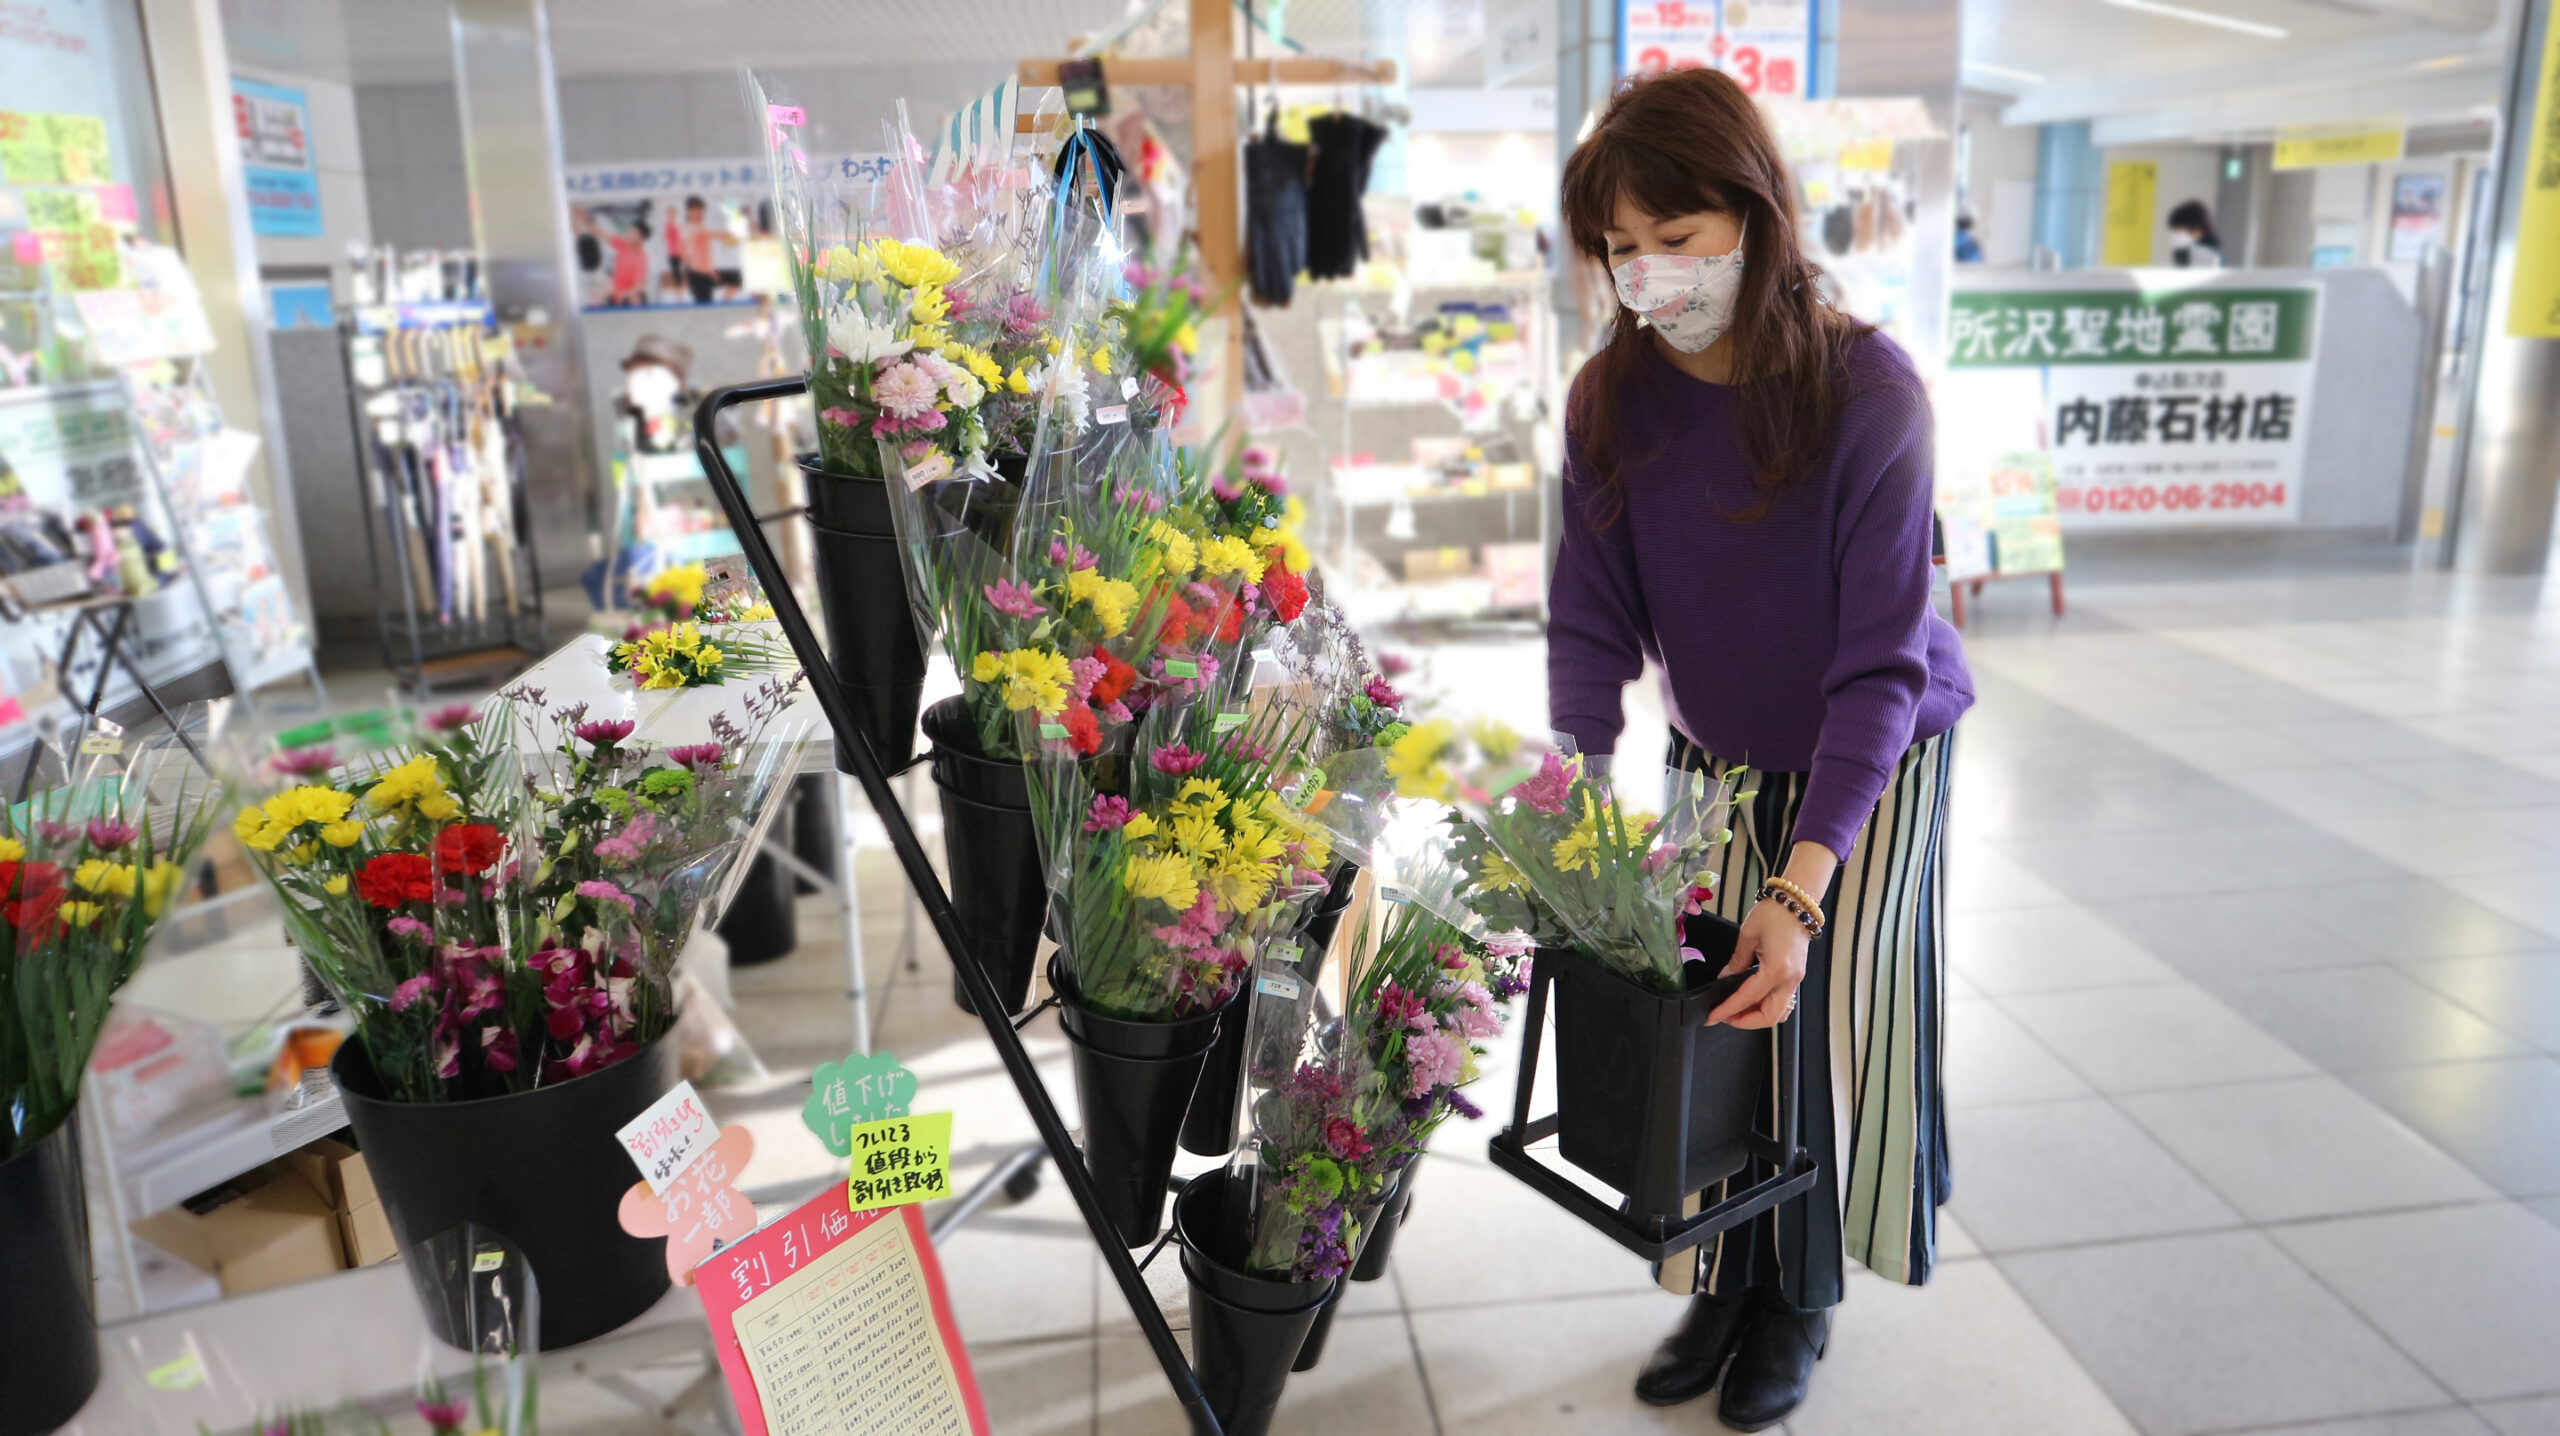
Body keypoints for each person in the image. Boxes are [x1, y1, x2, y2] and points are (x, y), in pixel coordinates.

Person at [1549, 68, 1974, 1433]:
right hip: (1719, 755)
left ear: (1755, 215)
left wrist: (1801, 891)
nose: (1649, 273)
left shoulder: (1867, 395)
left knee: (1825, 1014)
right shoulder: (1610, 400)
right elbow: (1591, 619)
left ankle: (1801, 1298)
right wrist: (1574, 799)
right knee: (1712, 1028)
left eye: (1677, 240)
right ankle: (1725, 1281)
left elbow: (1877, 669)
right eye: (1621, 248)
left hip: (1873, 756)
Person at [2168, 198, 2223, 268]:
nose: (2175, 235)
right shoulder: (2180, 252)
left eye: (2179, 231)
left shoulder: (2208, 256)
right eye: (2175, 231)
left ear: (2197, 231)